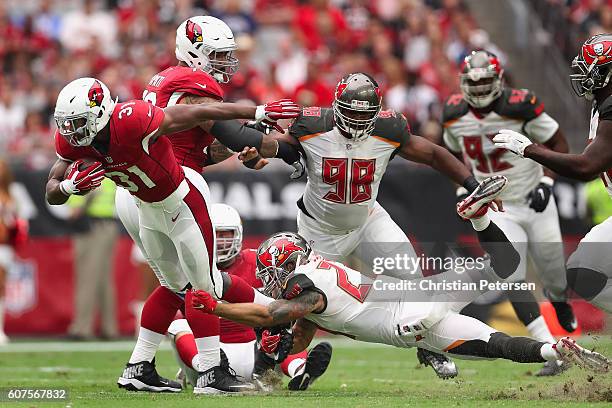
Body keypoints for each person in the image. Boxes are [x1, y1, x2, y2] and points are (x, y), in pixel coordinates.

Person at [190, 177, 611, 375]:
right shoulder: (316, 277)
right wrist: (283, 356)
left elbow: (273, 315)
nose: (268, 281)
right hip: (425, 297)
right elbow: (298, 328)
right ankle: (557, 351)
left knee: (490, 341)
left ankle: (550, 351)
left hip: (409, 323)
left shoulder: (304, 288)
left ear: (285, 267)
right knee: (496, 322)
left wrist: (218, 306)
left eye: (270, 273)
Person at [46, 76, 300, 394]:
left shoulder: (131, 118)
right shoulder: (71, 141)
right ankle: (141, 368)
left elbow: (195, 113)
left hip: (181, 203)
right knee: (174, 287)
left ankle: (215, 366)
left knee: (203, 286)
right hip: (147, 209)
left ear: (99, 112)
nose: (71, 132)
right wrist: (69, 187)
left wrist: (256, 111)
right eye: (66, 124)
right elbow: (51, 191)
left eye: (78, 122)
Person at [114, 16, 302, 394]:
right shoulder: (195, 82)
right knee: (204, 284)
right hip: (174, 188)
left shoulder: (163, 81)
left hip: (136, 187)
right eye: (216, 55)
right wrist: (285, 148)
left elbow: (200, 146)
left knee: (174, 285)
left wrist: (240, 147)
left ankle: (139, 365)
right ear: (193, 53)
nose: (224, 63)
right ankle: (212, 371)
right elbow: (228, 131)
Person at [277, 72, 489, 378]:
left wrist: (471, 184)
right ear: (336, 106)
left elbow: (433, 154)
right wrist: (260, 155)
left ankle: (429, 348)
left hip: (367, 220)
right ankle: (272, 362)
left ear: (377, 112)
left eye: (365, 114)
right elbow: (279, 147)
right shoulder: (311, 126)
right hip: (319, 232)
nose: (358, 121)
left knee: (412, 277)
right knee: (303, 311)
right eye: (351, 112)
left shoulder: (389, 129)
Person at [441, 50, 574, 376]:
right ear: (463, 83)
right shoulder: (454, 112)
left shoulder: (520, 104)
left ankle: (559, 300)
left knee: (554, 276)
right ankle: (551, 351)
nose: (481, 87)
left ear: (499, 80)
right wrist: (464, 187)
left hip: (533, 199)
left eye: (486, 80)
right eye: (475, 81)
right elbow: (452, 154)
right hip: (498, 205)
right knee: (509, 273)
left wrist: (546, 180)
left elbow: (559, 145)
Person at [493, 33, 612, 314]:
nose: (583, 73)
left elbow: (587, 166)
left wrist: (529, 149)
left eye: (591, 66)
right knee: (583, 274)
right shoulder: (604, 102)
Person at [167, 203, 333, 391]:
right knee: (177, 324)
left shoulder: (259, 262)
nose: (220, 241)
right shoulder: (189, 269)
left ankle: (299, 370)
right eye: (215, 234)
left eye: (225, 234)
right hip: (213, 355)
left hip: (260, 352)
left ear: (238, 235)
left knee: (281, 326)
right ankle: (207, 369)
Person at [67, 178, 119, 340]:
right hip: (107, 226)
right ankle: (109, 328)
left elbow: (75, 211)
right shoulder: (108, 172)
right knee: (103, 280)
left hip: (92, 228)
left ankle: (82, 328)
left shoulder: (86, 173)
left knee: (87, 278)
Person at [0, 160, 19, 345]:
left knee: (1, 286)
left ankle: (0, 330)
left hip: (3, 246)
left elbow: (14, 225)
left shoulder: (9, 197)